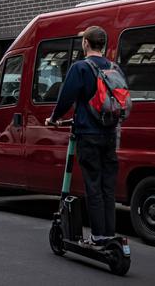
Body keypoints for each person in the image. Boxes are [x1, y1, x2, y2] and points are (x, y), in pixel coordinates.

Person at [45, 26, 120, 246]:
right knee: (108, 187)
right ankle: (109, 233)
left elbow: (66, 98)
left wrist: (53, 118)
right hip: (110, 134)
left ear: (86, 43)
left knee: (93, 186)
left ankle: (98, 236)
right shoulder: (114, 68)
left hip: (88, 135)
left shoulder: (80, 68)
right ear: (103, 44)